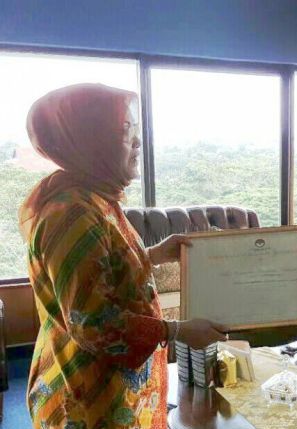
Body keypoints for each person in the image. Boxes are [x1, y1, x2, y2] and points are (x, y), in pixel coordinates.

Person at [19, 83, 228, 429]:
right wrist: (178, 330)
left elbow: (102, 270)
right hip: (88, 400)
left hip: (114, 391)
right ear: (90, 141)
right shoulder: (71, 214)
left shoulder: (95, 198)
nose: (137, 142)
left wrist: (154, 255)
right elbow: (93, 323)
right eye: (124, 131)